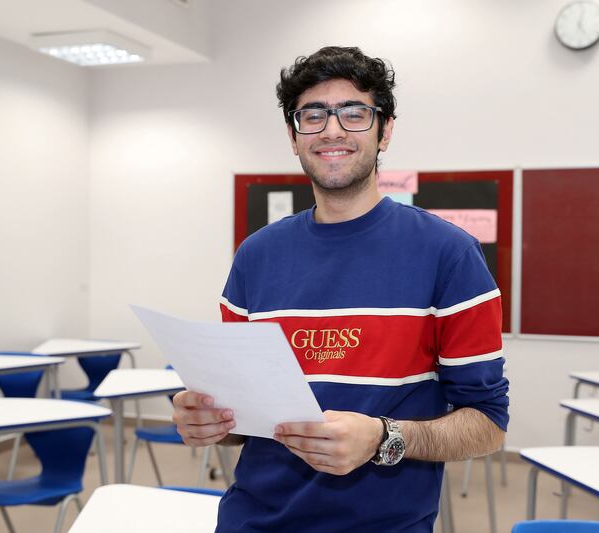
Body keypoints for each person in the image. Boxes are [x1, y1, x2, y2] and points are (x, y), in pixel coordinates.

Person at [172, 46, 509, 532]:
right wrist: (208, 422)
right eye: (313, 115)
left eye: (354, 113)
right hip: (252, 521)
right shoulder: (256, 255)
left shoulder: (448, 254)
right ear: (294, 136)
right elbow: (243, 419)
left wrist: (382, 437)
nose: (332, 130)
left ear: (385, 130)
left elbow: (488, 423)